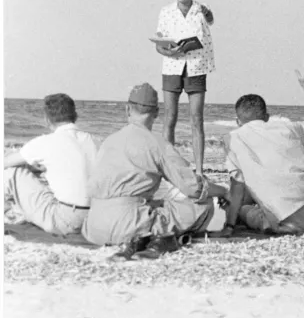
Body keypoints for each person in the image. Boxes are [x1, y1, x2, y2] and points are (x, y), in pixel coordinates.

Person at [83, 83, 228, 260]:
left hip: (94, 227)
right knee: (203, 206)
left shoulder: (108, 141)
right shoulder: (157, 143)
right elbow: (194, 189)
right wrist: (223, 191)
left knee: (151, 203)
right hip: (127, 225)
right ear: (157, 113)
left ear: (127, 110)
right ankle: (151, 239)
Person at [214, 60, 304, 237]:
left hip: (278, 218)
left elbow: (237, 185)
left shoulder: (232, 139)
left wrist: (229, 226)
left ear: (237, 122)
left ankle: (273, 224)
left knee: (243, 208)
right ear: (267, 117)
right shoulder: (286, 127)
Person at [4, 94, 99, 235]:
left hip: (66, 222)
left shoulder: (46, 142)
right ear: (75, 116)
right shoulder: (96, 141)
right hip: (96, 220)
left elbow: (5, 163)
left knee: (12, 173)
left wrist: (27, 166)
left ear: (46, 120)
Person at [155, 0, 215, 176]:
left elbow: (211, 19)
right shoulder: (166, 11)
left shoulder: (201, 9)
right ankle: (168, 168)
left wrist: (206, 13)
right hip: (172, 66)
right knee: (169, 117)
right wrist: (170, 50)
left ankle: (199, 170)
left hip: (196, 66)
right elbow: (159, 45)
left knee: (196, 118)